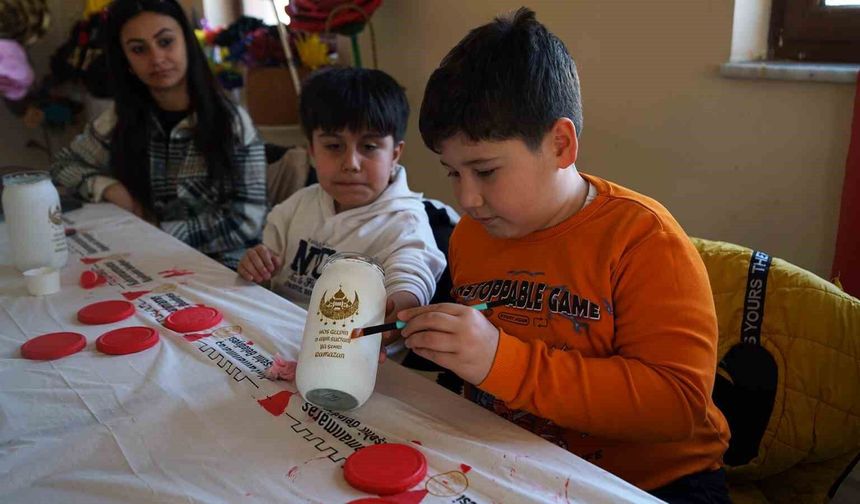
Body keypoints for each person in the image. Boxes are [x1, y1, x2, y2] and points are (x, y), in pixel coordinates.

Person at [398, 8, 731, 503]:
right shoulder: (472, 235)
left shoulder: (643, 239)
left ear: (560, 144)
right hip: (519, 461)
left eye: (485, 171)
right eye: (453, 173)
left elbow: (676, 405)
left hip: (656, 480)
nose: (466, 199)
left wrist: (500, 361)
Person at [51, 0, 266, 269]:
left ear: (187, 42)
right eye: (139, 49)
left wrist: (154, 231)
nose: (156, 59)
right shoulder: (119, 119)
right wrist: (109, 188)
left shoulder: (232, 123)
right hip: (145, 263)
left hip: (222, 270)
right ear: (126, 60)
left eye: (165, 42)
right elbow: (63, 165)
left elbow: (247, 222)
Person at [238, 67, 445, 328]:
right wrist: (256, 269)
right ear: (312, 151)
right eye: (334, 146)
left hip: (354, 353)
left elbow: (411, 273)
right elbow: (267, 275)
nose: (351, 163)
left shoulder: (406, 223)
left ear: (394, 154)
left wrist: (402, 302)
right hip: (279, 331)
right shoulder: (295, 206)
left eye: (369, 147)